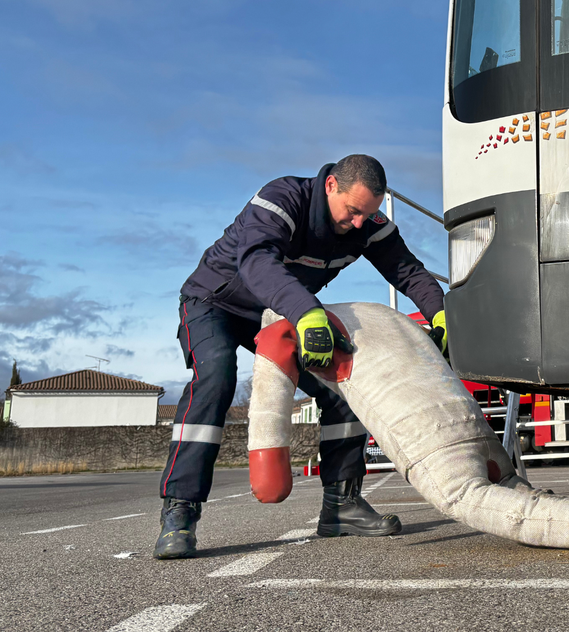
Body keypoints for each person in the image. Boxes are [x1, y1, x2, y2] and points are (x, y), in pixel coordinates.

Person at [155, 154, 447, 560]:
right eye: (353, 211)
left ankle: (341, 505)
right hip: (214, 303)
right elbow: (256, 260)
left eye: (369, 213)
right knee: (216, 377)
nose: (359, 223)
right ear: (331, 186)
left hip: (279, 312)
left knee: (344, 384)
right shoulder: (281, 198)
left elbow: (408, 271)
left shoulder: (368, 224)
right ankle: (179, 511)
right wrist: (307, 312)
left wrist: (442, 313)